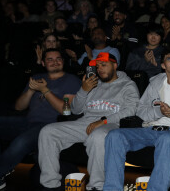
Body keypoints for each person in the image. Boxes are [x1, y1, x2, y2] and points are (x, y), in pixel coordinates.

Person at [103, 46, 170, 191]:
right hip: (150, 129)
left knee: (167, 139)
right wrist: (159, 111)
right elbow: (140, 111)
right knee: (114, 136)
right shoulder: (155, 84)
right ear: (163, 65)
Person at [38, 52, 140, 191]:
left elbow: (131, 111)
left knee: (98, 136)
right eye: (98, 66)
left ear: (115, 65)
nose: (100, 69)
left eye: (104, 64)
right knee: (48, 131)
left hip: (112, 124)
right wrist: (83, 90)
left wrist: (103, 121)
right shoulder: (92, 84)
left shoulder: (128, 85)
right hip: (85, 123)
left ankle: (97, 187)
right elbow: (75, 110)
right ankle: (50, 185)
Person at [0, 48, 81, 191]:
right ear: (44, 63)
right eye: (50, 59)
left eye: (58, 59)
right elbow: (19, 107)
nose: (55, 62)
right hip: (28, 123)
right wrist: (31, 90)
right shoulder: (38, 78)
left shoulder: (71, 80)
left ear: (63, 61)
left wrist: (45, 91)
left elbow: (66, 110)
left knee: (21, 142)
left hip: (51, 126)